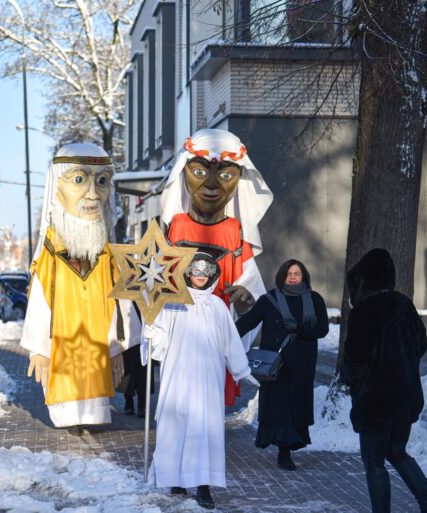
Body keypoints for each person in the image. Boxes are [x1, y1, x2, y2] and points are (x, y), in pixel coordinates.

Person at [20, 143, 141, 436]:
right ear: (56, 185)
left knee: (95, 379)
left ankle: (92, 415)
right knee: (67, 380)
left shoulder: (106, 249)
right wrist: (39, 348)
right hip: (64, 337)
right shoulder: (51, 247)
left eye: (101, 182)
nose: (92, 194)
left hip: (96, 339)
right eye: (78, 180)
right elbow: (40, 299)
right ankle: (68, 417)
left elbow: (119, 299)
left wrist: (118, 345)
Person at [159, 128, 273, 406]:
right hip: (180, 330)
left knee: (209, 398)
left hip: (216, 332)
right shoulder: (176, 228)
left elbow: (251, 289)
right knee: (178, 396)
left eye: (225, 175)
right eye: (199, 172)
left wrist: (245, 301)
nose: (211, 185)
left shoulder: (235, 231)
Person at [142, 252, 259, 509]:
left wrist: (242, 370)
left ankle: (203, 485)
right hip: (178, 375)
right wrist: (151, 334)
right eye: (196, 271)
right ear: (187, 273)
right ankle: (175, 478)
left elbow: (230, 341)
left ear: (212, 275)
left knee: (205, 428)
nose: (200, 276)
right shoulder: (172, 302)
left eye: (205, 272)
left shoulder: (217, 306)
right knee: (176, 424)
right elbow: (159, 340)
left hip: (208, 379)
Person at [342, 248, 427, 513]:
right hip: (406, 396)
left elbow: (355, 359)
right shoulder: (403, 303)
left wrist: (352, 380)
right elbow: (420, 344)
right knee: (397, 452)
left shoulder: (363, 311)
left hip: (375, 402)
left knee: (373, 461)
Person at [235, 259, 328, 470]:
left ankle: (288, 448)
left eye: (297, 273)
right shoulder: (269, 300)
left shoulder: (314, 299)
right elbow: (248, 322)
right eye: (289, 274)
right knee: (279, 408)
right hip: (276, 366)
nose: (292, 277)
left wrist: (300, 328)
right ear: (282, 276)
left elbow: (322, 329)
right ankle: (283, 452)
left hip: (302, 365)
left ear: (304, 276)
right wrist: (225, 336)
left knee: (296, 408)